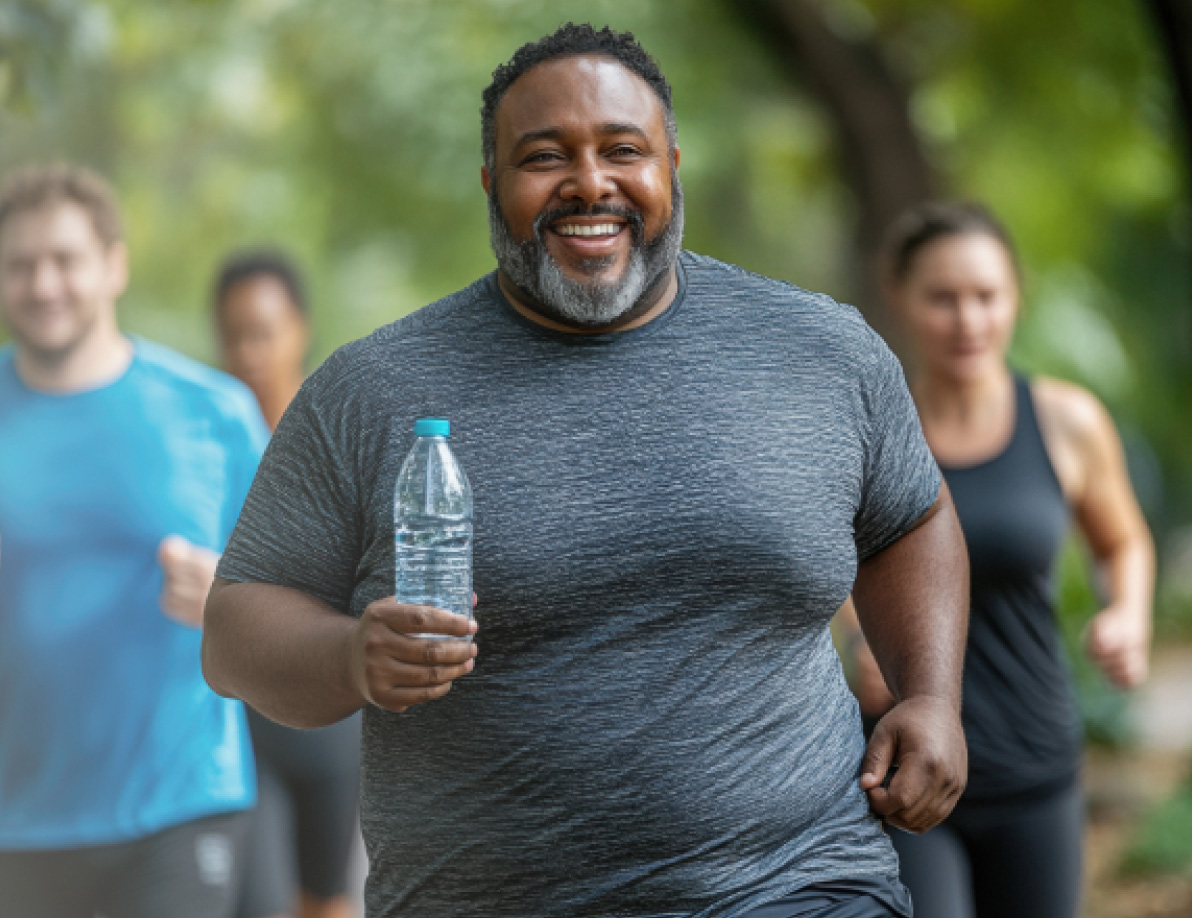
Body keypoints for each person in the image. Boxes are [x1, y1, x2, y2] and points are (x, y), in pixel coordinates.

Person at [202, 24, 971, 918]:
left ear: (672, 165)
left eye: (622, 150)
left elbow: (910, 518)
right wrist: (350, 657)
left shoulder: (821, 352)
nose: (590, 183)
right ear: (490, 182)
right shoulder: (372, 392)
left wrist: (931, 696)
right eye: (543, 157)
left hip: (799, 882)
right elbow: (233, 627)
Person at [842, 201, 1155, 918]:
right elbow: (834, 561)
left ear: (1016, 296)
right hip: (907, 769)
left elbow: (1123, 542)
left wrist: (1130, 614)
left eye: (987, 296)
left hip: (1033, 762)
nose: (968, 320)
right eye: (943, 298)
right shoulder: (871, 432)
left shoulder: (1067, 421)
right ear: (900, 297)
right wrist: (861, 638)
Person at [0, 164, 268, 916]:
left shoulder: (212, 413)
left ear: (113, 265)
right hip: (18, 818)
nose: (44, 284)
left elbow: (302, 591)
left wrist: (230, 594)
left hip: (178, 800)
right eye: (20, 265)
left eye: (65, 260)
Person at [213, 249, 363, 918]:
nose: (248, 353)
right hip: (242, 722)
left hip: (331, 718)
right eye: (233, 336)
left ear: (300, 328)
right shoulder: (210, 440)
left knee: (326, 900)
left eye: (263, 333)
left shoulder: (340, 431)